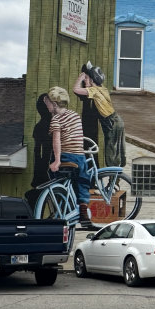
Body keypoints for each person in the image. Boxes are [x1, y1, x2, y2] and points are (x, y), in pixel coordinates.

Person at [44, 86, 95, 229]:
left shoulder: (56, 119)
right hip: (80, 157)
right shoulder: (75, 116)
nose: (46, 105)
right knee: (83, 182)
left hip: (66, 156)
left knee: (54, 175)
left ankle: (58, 204)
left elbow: (56, 141)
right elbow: (78, 136)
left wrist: (57, 160)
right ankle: (83, 211)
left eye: (47, 102)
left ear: (54, 104)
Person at [73, 62, 126, 167]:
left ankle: (113, 180)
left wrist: (80, 78)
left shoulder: (94, 90)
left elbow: (76, 90)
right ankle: (117, 177)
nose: (85, 80)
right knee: (118, 150)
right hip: (117, 120)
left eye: (87, 78)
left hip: (110, 122)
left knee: (110, 152)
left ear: (92, 80)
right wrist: (89, 73)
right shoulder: (102, 88)